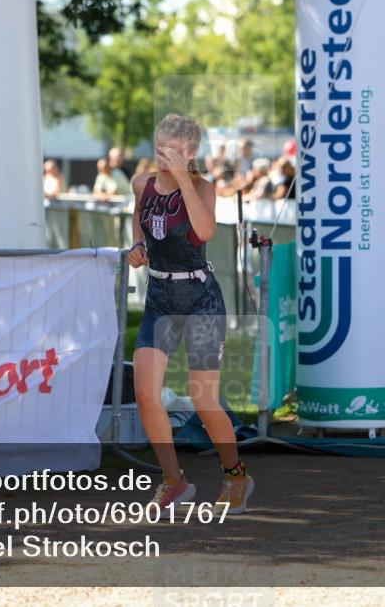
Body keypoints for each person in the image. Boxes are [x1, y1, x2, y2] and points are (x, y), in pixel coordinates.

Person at [128, 113, 252, 516]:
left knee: (204, 400)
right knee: (146, 394)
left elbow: (205, 231)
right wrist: (137, 246)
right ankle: (174, 481)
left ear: (191, 152)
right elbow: (140, 221)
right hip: (160, 297)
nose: (166, 155)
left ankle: (235, 474)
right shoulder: (141, 184)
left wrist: (183, 178)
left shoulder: (201, 188)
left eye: (176, 151)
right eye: (162, 147)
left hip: (200, 299)